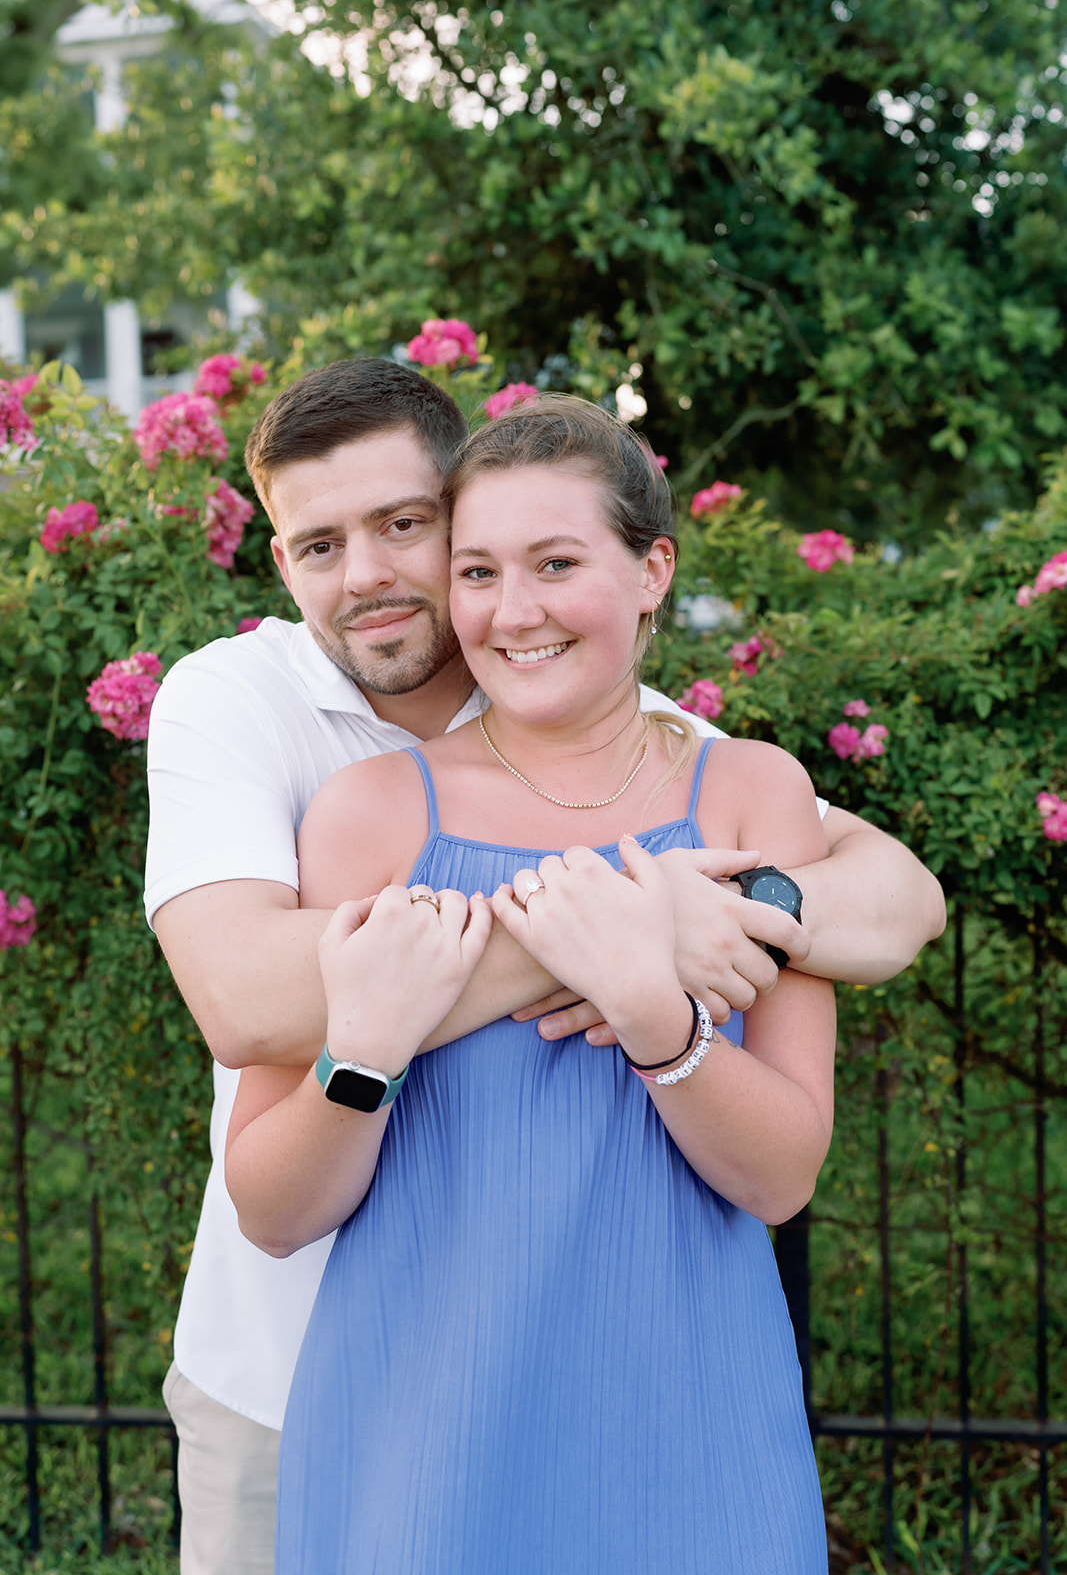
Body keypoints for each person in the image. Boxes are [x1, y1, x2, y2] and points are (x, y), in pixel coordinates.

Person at [146, 359, 944, 1575]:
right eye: (320, 542)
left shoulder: (696, 758)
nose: (370, 573)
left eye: (406, 528)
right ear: (282, 562)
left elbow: (894, 901)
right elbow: (242, 1005)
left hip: (682, 1413)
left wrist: (676, 975)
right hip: (338, 1380)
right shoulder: (263, 724)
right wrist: (609, 927)